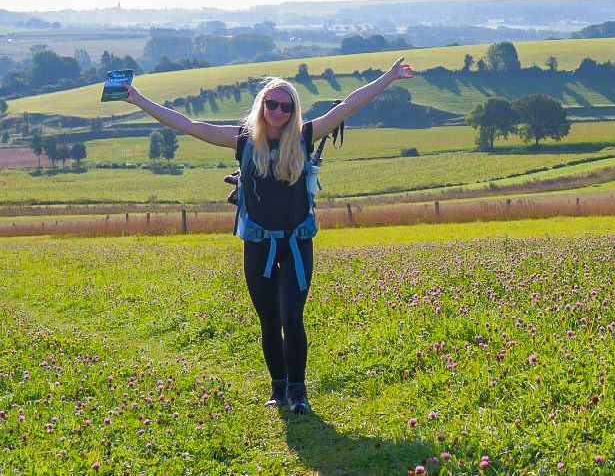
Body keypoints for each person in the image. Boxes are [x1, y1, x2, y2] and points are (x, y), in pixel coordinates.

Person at [121, 58, 414, 414]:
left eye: (285, 106)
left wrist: (391, 76)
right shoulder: (242, 140)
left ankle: (298, 391)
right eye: (271, 104)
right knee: (269, 320)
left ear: (294, 111)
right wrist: (138, 99)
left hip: (295, 243)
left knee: (292, 316)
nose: (277, 111)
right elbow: (187, 124)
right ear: (262, 106)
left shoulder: (306, 135)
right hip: (257, 244)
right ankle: (278, 387)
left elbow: (352, 103)